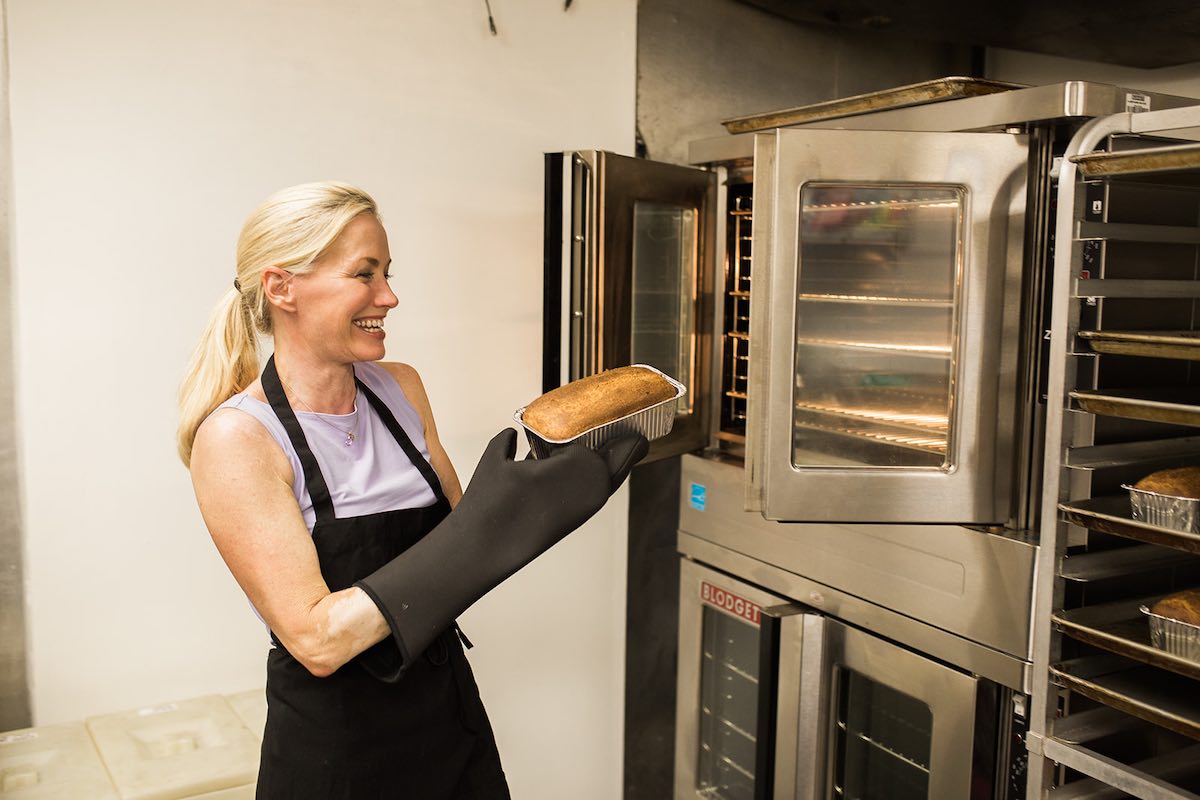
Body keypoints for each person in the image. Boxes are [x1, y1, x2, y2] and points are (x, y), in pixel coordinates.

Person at [176, 181, 647, 798]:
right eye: (363, 275)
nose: (389, 297)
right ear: (281, 287)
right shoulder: (239, 439)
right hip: (335, 755)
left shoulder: (400, 388)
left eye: (387, 273)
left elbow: (457, 549)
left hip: (449, 722)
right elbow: (317, 640)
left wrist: (536, 507)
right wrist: (492, 528)